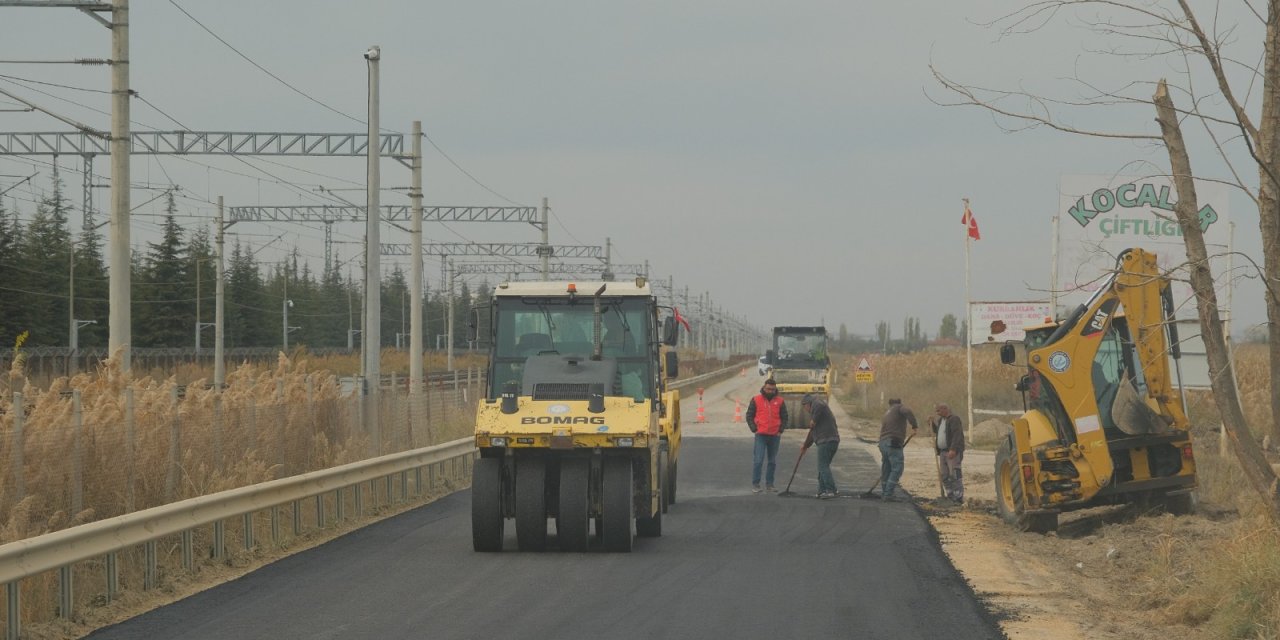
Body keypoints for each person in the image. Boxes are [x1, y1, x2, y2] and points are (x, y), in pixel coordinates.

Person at [745, 379, 787, 493]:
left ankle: (770, 484)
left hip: (775, 435)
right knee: (758, 460)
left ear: (775, 389)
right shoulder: (756, 400)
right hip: (761, 435)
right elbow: (749, 415)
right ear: (764, 388)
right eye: (768, 389)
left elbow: (785, 417)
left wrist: (780, 430)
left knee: (772, 461)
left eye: (773, 389)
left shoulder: (780, 401)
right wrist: (754, 428)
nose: (770, 391)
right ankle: (756, 484)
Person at [800, 394, 840, 499]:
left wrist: (814, 419)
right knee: (823, 466)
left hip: (826, 441)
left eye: (805, 407)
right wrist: (805, 446)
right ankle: (822, 490)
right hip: (831, 441)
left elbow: (819, 405)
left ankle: (831, 490)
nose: (806, 410)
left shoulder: (817, 404)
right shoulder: (818, 414)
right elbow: (812, 434)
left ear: (808, 404)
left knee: (823, 466)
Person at [878, 398, 918, 501]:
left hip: (883, 443)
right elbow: (907, 411)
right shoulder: (899, 407)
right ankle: (888, 494)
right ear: (899, 403)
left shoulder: (887, 412)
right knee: (897, 468)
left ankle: (885, 492)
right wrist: (914, 426)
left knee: (886, 468)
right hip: (893, 442)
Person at [932, 403, 966, 503]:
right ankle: (950, 495)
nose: (937, 413)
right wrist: (932, 423)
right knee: (944, 475)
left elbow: (957, 435)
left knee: (954, 474)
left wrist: (953, 449)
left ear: (945, 409)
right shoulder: (941, 420)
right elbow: (937, 432)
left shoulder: (954, 419)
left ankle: (958, 497)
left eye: (938, 410)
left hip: (952, 452)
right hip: (942, 452)